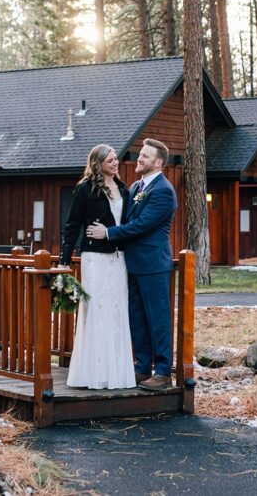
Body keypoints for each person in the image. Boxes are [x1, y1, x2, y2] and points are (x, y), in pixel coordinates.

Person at [87, 138, 177, 391]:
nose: (140, 158)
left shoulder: (163, 191)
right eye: (140, 154)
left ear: (158, 162)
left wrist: (109, 233)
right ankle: (141, 367)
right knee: (137, 318)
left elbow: (142, 225)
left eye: (145, 156)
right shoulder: (136, 185)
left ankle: (162, 372)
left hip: (153, 264)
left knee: (157, 318)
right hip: (132, 264)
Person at [59, 144, 135, 389]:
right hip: (94, 258)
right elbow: (72, 225)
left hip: (117, 257)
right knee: (96, 309)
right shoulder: (85, 189)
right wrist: (64, 259)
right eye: (111, 160)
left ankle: (116, 374)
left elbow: (126, 223)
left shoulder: (124, 189)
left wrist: (111, 234)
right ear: (98, 163)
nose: (116, 163)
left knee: (116, 309)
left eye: (116, 159)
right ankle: (92, 373)